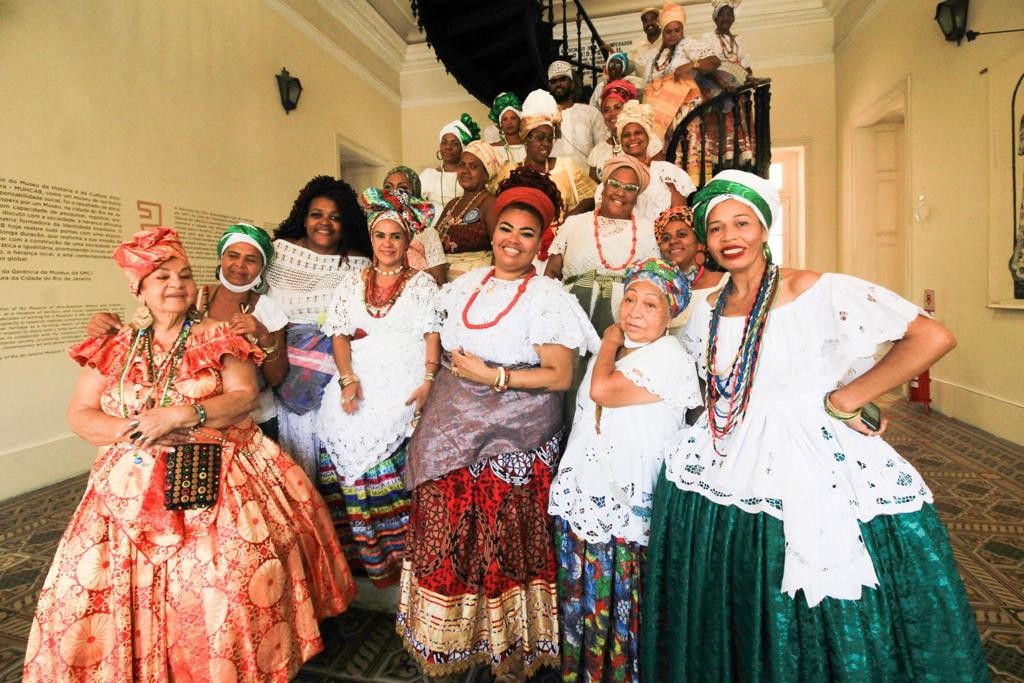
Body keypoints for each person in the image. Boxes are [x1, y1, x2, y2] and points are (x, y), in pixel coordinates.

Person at [640, 170, 988, 682]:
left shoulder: (819, 289)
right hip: (728, 454)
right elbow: (717, 384)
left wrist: (850, 398)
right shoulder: (707, 308)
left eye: (742, 223)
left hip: (813, 451)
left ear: (763, 228)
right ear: (706, 242)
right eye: (716, 228)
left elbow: (930, 337)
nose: (729, 237)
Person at [24, 227, 356, 682]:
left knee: (230, 580)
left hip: (223, 468)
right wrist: (134, 428)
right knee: (90, 587)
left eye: (182, 274)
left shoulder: (219, 335)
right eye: (161, 277)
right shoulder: (114, 344)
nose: (176, 284)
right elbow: (80, 414)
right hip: (130, 480)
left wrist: (183, 414)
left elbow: (242, 396)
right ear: (138, 287)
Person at [396, 168, 600, 682]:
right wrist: (432, 380)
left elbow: (559, 375)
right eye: (506, 228)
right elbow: (438, 347)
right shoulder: (464, 287)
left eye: (527, 233)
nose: (513, 240)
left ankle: (509, 649)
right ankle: (452, 640)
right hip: (451, 422)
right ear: (493, 231)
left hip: (517, 434)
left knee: (503, 537)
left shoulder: (548, 297)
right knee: (448, 531)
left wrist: (494, 375)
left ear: (541, 242)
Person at [549, 258, 699, 683]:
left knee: (621, 593)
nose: (634, 311)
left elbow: (603, 391)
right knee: (587, 591)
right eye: (629, 299)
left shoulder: (668, 356)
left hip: (625, 504)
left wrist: (609, 339)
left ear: (671, 315)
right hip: (588, 491)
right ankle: (584, 671)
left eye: (651, 305)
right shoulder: (619, 352)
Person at [316, 189, 441, 588]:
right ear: (372, 240)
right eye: (380, 236)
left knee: (386, 447)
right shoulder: (351, 283)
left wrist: (428, 381)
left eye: (396, 237)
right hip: (363, 368)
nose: (387, 244)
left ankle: (401, 563)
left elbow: (431, 334)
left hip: (406, 372)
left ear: (408, 242)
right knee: (339, 429)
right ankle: (361, 559)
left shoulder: (422, 284)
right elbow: (339, 335)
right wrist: (348, 379)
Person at [84, 224, 290, 440]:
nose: (240, 265)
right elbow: (157, 325)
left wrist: (263, 336)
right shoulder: (193, 296)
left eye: (251, 259)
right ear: (222, 257)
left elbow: (274, 380)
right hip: (179, 425)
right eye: (233, 255)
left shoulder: (268, 308)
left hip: (250, 419)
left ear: (262, 266)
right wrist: (108, 327)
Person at [265, 175, 372, 479]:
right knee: (293, 465)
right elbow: (253, 297)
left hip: (337, 378)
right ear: (303, 218)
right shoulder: (280, 253)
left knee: (331, 469)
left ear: (346, 223)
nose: (325, 223)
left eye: (335, 217)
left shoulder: (359, 264)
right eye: (317, 215)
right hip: (283, 372)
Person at [546, 155, 660, 335]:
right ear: (604, 186)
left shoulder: (647, 230)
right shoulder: (574, 223)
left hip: (625, 324)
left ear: (637, 195)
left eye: (630, 188)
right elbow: (551, 274)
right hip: (571, 318)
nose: (620, 193)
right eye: (614, 184)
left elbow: (654, 283)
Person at [491, 89, 596, 230]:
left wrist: (571, 216)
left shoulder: (565, 165)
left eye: (550, 138)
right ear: (527, 137)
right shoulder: (510, 171)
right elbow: (492, 202)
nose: (546, 144)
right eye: (540, 137)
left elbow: (593, 197)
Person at [595, 100, 695, 224]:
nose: (632, 138)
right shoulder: (614, 177)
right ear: (621, 142)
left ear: (648, 137)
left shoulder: (666, 172)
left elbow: (680, 218)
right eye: (626, 135)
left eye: (638, 133)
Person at [642, 2, 719, 146]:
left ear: (682, 31)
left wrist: (692, 65)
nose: (673, 35)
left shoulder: (687, 45)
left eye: (677, 30)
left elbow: (714, 62)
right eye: (668, 31)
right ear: (662, 32)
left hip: (681, 103)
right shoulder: (656, 54)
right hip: (656, 106)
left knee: (676, 145)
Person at [653, 205, 728, 333]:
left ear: (700, 243)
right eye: (665, 238)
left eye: (681, 234)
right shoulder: (656, 287)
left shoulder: (726, 283)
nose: (672, 241)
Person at [700, 0, 756, 164]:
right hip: (714, 87)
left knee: (738, 117)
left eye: (729, 13)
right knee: (719, 119)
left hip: (735, 87)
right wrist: (722, 83)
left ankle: (736, 155)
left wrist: (749, 78)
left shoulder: (739, 40)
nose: (726, 17)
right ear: (715, 18)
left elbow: (745, 66)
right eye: (722, 14)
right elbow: (705, 67)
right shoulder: (708, 38)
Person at [435, 139, 500, 279]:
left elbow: (499, 248)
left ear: (486, 174)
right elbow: (433, 241)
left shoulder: (490, 203)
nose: (465, 171)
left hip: (475, 283)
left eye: (473, 166)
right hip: (442, 281)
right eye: (462, 165)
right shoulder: (452, 204)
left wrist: (491, 283)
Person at [548, 60, 607, 171]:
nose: (558, 84)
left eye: (562, 79)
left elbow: (602, 149)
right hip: (554, 183)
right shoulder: (543, 116)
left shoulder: (590, 113)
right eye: (553, 81)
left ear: (572, 84)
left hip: (587, 182)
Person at [420, 114, 480, 211]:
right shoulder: (428, 175)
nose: (448, 147)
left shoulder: (470, 176)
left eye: (455, 143)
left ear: (463, 148)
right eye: (444, 142)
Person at [586, 80, 638, 182]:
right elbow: (593, 190)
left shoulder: (643, 141)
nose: (611, 113)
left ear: (628, 109)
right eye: (606, 110)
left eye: (617, 107)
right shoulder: (598, 151)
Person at [484, 91, 527, 166]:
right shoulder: (493, 149)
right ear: (500, 124)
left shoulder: (529, 146)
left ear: (520, 121)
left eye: (513, 118)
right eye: (505, 119)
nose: (509, 122)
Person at [627, 7, 663, 82]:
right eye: (645, 21)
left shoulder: (669, 42)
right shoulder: (635, 49)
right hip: (644, 92)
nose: (649, 23)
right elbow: (624, 68)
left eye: (653, 19)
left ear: (660, 21)